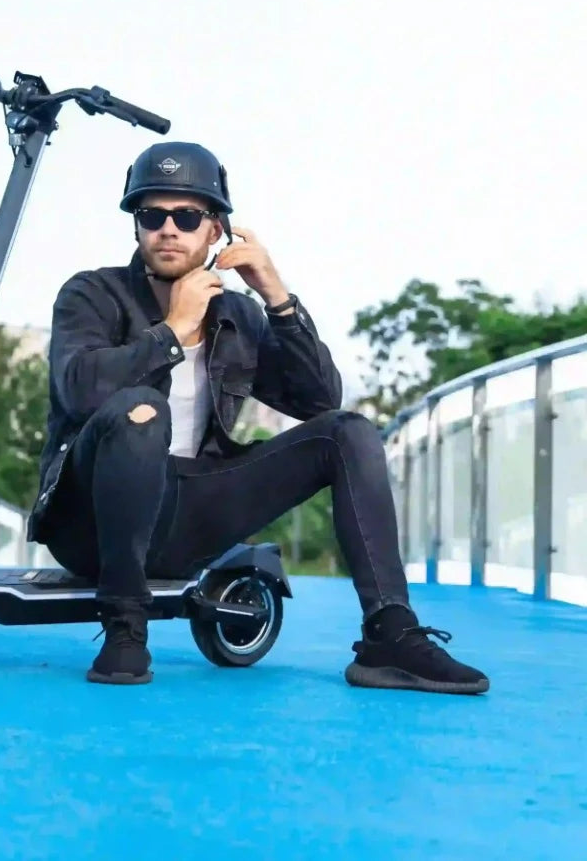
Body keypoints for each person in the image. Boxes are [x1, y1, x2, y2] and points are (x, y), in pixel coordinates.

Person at [27, 141, 489, 694]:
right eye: (153, 215)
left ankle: (390, 634)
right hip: (91, 527)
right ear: (136, 227)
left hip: (188, 516)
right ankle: (125, 627)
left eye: (187, 216)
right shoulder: (91, 293)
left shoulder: (237, 314)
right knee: (139, 411)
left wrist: (276, 295)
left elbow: (320, 400)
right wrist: (170, 333)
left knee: (349, 433)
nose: (168, 229)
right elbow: (79, 391)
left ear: (215, 229)